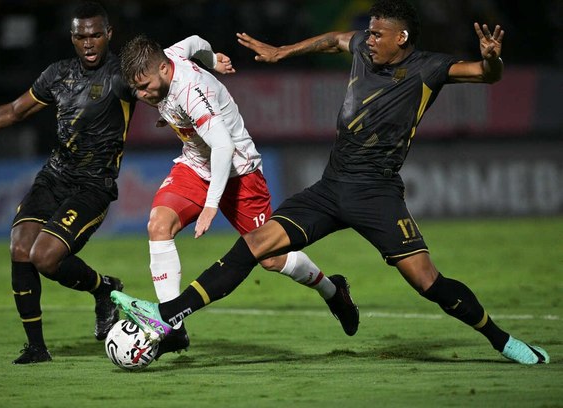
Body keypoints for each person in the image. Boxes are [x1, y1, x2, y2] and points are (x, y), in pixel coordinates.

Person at [110, 0, 550, 365]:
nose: (368, 38)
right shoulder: (361, 47)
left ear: (403, 38)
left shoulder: (429, 69)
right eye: (370, 31)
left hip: (376, 194)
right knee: (254, 246)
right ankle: (170, 315)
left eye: (379, 34)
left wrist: (492, 59)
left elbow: (485, 75)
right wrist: (283, 52)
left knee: (426, 281)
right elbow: (334, 39)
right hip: (330, 186)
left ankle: (501, 340)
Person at [0, 2, 135, 364]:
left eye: (96, 34)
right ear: (72, 38)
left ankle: (105, 288)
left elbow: (158, 85)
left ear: (109, 34)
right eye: (81, 36)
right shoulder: (58, 74)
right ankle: (36, 347)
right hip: (53, 178)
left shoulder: (120, 75)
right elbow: (14, 111)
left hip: (92, 187)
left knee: (45, 258)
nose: (89, 43)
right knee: (20, 248)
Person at [118, 34, 359, 359]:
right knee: (158, 225)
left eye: (145, 86)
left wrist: (210, 207)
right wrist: (214, 59)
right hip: (196, 166)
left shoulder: (191, 92)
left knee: (271, 258)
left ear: (163, 69)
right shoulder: (170, 57)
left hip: (239, 172)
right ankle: (173, 328)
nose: (142, 95)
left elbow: (223, 146)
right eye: (137, 90)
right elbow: (194, 41)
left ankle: (333, 291)